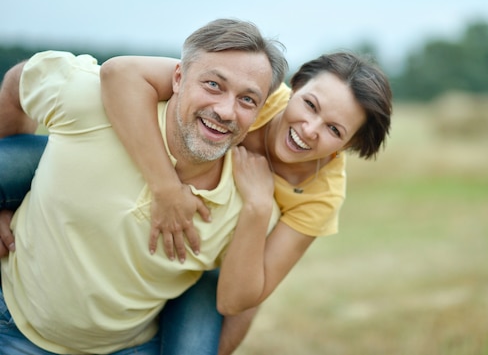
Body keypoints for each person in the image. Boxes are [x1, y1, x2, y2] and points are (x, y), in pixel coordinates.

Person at [0, 18, 288, 354]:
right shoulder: (90, 102)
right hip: (13, 327)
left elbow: (238, 299)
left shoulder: (246, 204)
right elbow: (17, 83)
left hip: (130, 348)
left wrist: (258, 207)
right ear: (178, 78)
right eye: (212, 84)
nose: (225, 111)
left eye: (247, 100)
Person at [96, 50, 394, 353]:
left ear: (349, 144)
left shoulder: (322, 196)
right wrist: (167, 189)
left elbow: (237, 300)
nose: (309, 129)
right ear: (297, 85)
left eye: (334, 129)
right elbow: (121, 74)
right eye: (309, 104)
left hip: (225, 260)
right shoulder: (255, 91)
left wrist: (259, 205)